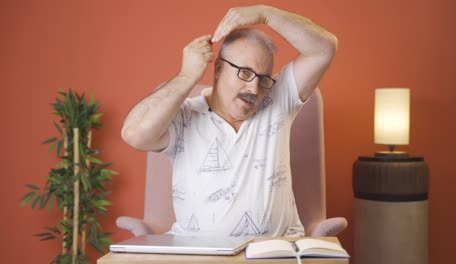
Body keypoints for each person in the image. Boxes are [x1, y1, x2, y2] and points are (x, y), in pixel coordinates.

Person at [121, 5, 337, 237]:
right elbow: (133, 134)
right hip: (196, 254)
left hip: (274, 253)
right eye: (244, 72)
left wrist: (264, 14)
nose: (253, 88)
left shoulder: (276, 101)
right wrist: (186, 76)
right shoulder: (184, 116)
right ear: (219, 69)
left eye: (263, 78)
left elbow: (324, 48)